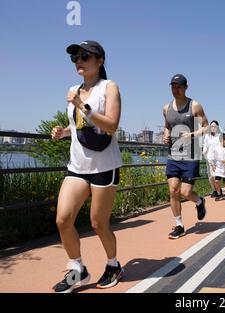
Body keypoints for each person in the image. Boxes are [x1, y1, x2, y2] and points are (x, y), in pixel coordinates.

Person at [51, 40, 124, 293]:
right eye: (75, 58)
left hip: (104, 165)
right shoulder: (73, 89)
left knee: (98, 224)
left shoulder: (109, 87)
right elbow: (80, 129)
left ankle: (113, 265)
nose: (78, 61)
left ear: (100, 61)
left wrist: (82, 105)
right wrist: (63, 132)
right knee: (63, 219)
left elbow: (111, 126)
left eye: (84, 56)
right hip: (77, 166)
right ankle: (77, 269)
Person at [163, 74, 208, 239]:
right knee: (173, 190)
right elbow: (167, 126)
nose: (176, 90)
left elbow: (206, 127)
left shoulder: (194, 106)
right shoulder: (166, 108)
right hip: (174, 154)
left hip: (191, 154)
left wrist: (191, 134)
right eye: (173, 87)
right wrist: (166, 135)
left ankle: (199, 201)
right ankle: (179, 225)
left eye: (179, 86)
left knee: (185, 192)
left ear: (186, 87)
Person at [208, 133, 225, 200]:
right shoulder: (216, 148)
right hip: (219, 167)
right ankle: (219, 193)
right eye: (224, 140)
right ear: (220, 140)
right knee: (216, 181)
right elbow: (211, 157)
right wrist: (212, 165)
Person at [203, 120, 221, 197]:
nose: (213, 128)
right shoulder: (207, 136)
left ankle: (218, 190)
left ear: (217, 127)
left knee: (215, 175)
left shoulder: (220, 136)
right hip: (209, 158)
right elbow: (205, 145)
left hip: (217, 159)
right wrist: (204, 151)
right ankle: (214, 190)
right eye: (211, 126)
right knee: (210, 177)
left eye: (214, 126)